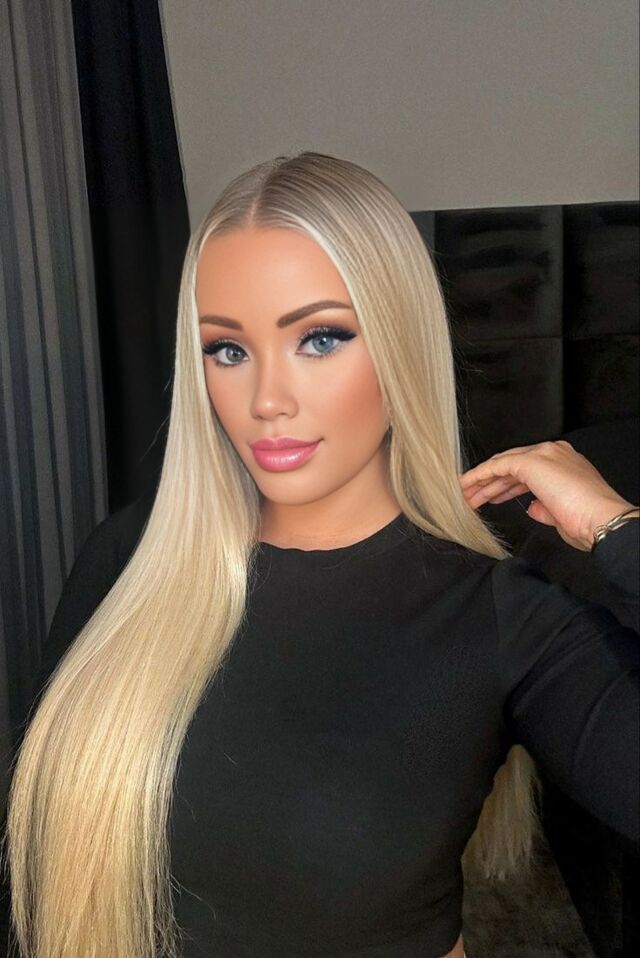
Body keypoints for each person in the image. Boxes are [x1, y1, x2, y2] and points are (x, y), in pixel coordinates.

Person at [1, 151, 638, 958]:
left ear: (401, 344)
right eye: (227, 349)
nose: (267, 399)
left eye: (320, 338)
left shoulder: (501, 616)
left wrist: (618, 529)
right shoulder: (130, 555)